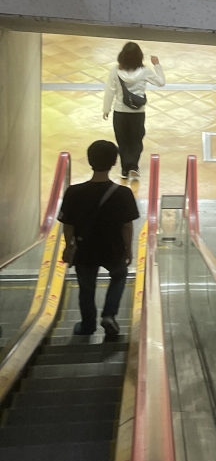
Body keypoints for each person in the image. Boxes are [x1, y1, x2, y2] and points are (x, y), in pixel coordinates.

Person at [59, 139, 140, 339]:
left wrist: (69, 246)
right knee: (119, 276)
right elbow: (127, 226)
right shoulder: (123, 193)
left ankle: (87, 325)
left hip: (85, 248)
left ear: (89, 160)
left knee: (86, 287)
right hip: (113, 247)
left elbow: (68, 225)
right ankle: (109, 315)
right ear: (114, 162)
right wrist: (128, 249)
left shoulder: (74, 192)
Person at [102, 42, 165, 181]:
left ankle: (125, 169)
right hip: (138, 113)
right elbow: (161, 82)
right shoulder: (145, 71)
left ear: (122, 56)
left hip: (120, 111)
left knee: (122, 141)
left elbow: (110, 91)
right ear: (139, 57)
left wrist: (106, 109)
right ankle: (134, 167)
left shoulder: (115, 70)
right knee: (136, 140)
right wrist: (157, 65)